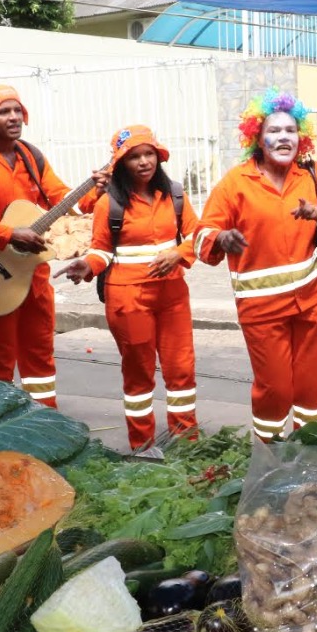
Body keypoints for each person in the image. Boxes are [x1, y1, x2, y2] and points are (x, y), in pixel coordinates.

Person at [194, 89, 317, 441]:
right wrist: (222, 239)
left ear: (301, 138)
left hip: (315, 304)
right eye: (274, 130)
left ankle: (308, 453)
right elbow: (202, 233)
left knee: (314, 389)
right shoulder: (235, 183)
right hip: (261, 309)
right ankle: (269, 456)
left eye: (290, 130)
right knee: (276, 390)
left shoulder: (314, 175)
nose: (283, 137)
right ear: (257, 138)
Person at [57, 126, 199, 454]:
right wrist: (87, 266)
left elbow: (196, 236)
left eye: (148, 154)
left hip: (173, 296)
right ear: (122, 163)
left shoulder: (175, 195)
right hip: (128, 299)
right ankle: (144, 446)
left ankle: (188, 442)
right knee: (138, 375)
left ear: (158, 157)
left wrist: (178, 254)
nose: (143, 161)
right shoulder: (110, 204)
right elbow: (102, 250)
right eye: (134, 157)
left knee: (182, 370)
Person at [0, 85, 72, 406]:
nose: (14, 117)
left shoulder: (32, 155)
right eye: (3, 111)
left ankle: (46, 421)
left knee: (41, 361)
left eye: (17, 110)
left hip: (34, 277)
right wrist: (10, 235)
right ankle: (0, 426)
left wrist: (94, 191)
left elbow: (60, 195)